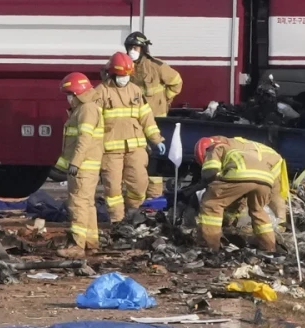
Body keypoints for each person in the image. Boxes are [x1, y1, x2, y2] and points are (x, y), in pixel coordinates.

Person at [96, 51, 163, 223]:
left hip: (135, 149)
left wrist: (156, 138)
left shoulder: (135, 91)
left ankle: (133, 214)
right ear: (112, 73)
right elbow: (92, 122)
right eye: (121, 75)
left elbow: (146, 117)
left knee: (140, 184)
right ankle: (117, 222)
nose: (124, 78)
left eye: (127, 75)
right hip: (110, 151)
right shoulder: (101, 92)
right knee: (113, 191)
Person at [193, 136, 287, 251]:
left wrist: (208, 186)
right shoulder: (258, 148)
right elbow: (275, 188)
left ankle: (210, 246)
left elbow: (210, 172)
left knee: (211, 204)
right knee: (258, 210)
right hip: (266, 180)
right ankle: (269, 248)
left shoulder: (215, 147)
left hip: (239, 173)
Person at [124, 32, 183, 200]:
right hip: (133, 122)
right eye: (129, 48)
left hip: (156, 120)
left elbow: (176, 82)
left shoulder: (156, 66)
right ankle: (135, 197)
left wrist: (165, 99)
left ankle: (154, 198)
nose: (132, 51)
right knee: (135, 161)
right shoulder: (125, 66)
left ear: (143, 49)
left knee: (154, 161)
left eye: (135, 47)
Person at [55, 72, 104, 259]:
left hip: (83, 167)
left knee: (78, 204)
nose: (68, 99)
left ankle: (77, 245)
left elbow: (84, 140)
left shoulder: (86, 110)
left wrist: (75, 162)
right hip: (88, 165)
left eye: (69, 94)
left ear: (77, 94)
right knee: (87, 204)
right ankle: (91, 243)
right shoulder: (87, 108)